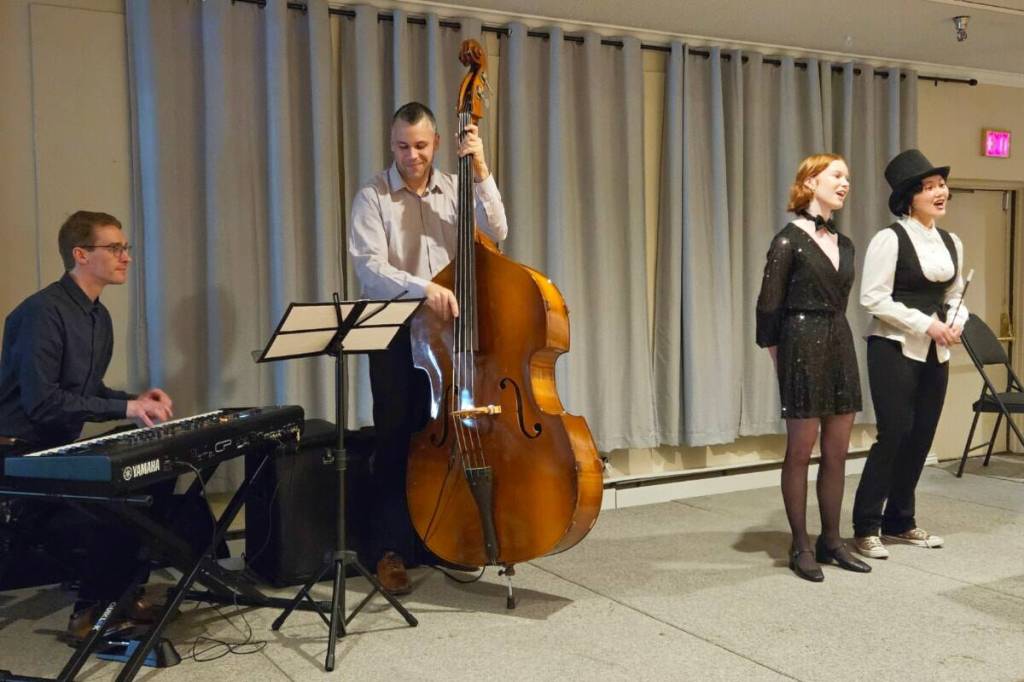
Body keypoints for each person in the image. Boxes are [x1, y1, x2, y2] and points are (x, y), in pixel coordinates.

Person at [348, 102, 509, 593]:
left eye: (420, 146)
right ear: (391, 142)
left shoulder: (457, 188)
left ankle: (438, 540)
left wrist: (480, 169)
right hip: (398, 334)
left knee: (445, 435)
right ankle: (390, 551)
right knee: (396, 439)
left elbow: (498, 231)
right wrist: (425, 288)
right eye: (402, 146)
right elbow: (369, 267)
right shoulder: (372, 196)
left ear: (437, 143)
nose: (411, 156)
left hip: (449, 334)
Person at [0, 210, 174, 638]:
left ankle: (125, 592)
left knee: (154, 469)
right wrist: (125, 410)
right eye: (114, 248)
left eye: (125, 247)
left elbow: (87, 388)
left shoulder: (98, 316)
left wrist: (135, 402)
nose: (126, 257)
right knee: (111, 504)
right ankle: (89, 612)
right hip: (19, 451)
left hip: (55, 446)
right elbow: (44, 404)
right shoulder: (43, 313)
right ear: (80, 254)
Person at [756, 153, 871, 582]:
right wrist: (778, 354)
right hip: (800, 343)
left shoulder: (845, 244)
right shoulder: (787, 240)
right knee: (801, 451)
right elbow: (768, 305)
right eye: (837, 175)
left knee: (838, 451)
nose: (845, 183)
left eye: (848, 177)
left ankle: (832, 540)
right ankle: (801, 544)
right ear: (811, 181)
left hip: (838, 341)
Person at [852, 149, 965, 559]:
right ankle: (865, 524)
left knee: (921, 436)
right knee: (894, 433)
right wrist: (925, 323)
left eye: (941, 185)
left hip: (936, 352)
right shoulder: (890, 238)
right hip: (893, 347)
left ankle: (900, 520)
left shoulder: (951, 242)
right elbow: (872, 298)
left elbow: (954, 295)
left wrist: (955, 321)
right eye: (930, 187)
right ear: (908, 198)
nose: (941, 192)